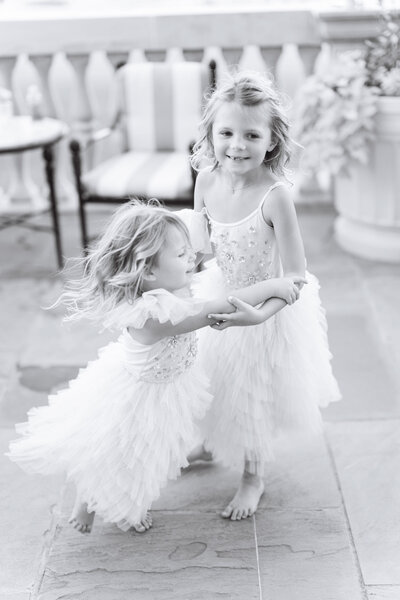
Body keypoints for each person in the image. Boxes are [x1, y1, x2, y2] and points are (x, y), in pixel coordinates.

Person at [7, 201, 305, 535]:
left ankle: (90, 498)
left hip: (165, 383)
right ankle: (100, 504)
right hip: (142, 399)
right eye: (181, 256)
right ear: (148, 271)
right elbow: (218, 307)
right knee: (130, 459)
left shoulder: (166, 286)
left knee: (129, 453)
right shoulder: (155, 315)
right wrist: (274, 286)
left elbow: (194, 255)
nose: (191, 258)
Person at [190, 70, 341, 521]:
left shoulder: (275, 197)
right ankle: (210, 442)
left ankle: (253, 475)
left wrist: (260, 316)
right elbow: (200, 249)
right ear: (211, 134)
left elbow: (296, 277)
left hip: (268, 308)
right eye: (227, 133)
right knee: (211, 375)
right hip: (222, 291)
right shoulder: (205, 181)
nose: (237, 145)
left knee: (251, 390)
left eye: (251, 135)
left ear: (272, 141)